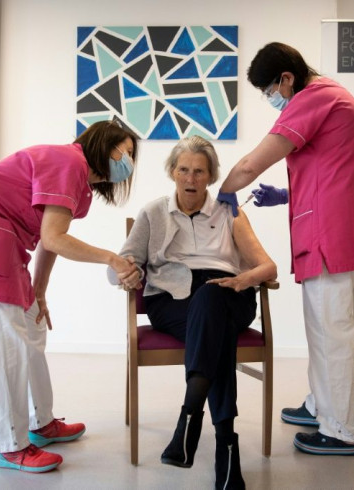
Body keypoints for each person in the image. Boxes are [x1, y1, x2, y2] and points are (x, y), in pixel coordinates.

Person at [0, 120, 140, 473]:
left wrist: (39, 290)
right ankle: (10, 446)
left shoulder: (77, 177)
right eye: (126, 152)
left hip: (4, 241)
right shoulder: (71, 163)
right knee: (6, 348)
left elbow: (49, 237)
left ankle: (40, 423)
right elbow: (55, 237)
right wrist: (112, 258)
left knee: (32, 328)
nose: (128, 162)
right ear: (104, 146)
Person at [216, 42, 354, 456]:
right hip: (333, 226)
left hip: (331, 234)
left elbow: (253, 163)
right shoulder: (333, 99)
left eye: (271, 90)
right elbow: (331, 171)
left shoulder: (314, 98)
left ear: (287, 79)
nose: (273, 100)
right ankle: (318, 405)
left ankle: (341, 429)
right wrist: (285, 196)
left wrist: (221, 192)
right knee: (323, 326)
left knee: (331, 332)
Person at [109, 136, 276, 489]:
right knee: (215, 324)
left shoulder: (229, 211)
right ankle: (225, 448)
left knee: (211, 300)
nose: (190, 178)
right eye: (183, 170)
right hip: (172, 300)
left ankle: (189, 421)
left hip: (229, 294)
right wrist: (127, 271)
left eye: (199, 172)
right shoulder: (153, 213)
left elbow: (268, 268)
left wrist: (244, 279)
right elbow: (120, 265)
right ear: (172, 172)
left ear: (211, 176)